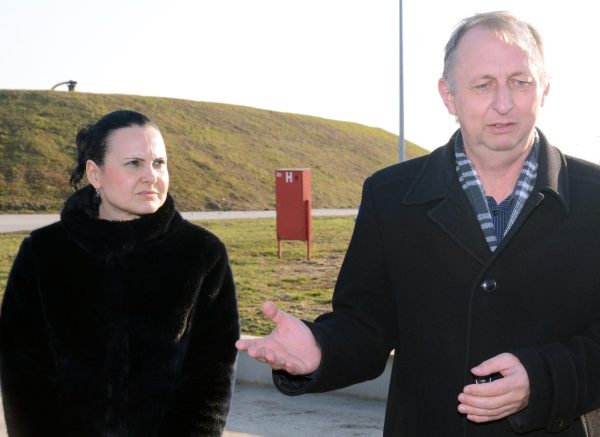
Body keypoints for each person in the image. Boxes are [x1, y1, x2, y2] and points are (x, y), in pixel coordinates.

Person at [236, 11, 600, 436]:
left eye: (520, 82)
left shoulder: (594, 198)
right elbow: (367, 324)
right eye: (482, 85)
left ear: (545, 88)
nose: (503, 103)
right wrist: (321, 349)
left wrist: (544, 380)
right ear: (448, 95)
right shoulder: (391, 196)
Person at [0, 110, 240, 436]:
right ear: (94, 173)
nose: (151, 176)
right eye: (134, 163)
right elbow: (23, 376)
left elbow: (211, 376)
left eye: (159, 163)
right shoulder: (42, 253)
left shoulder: (202, 254)